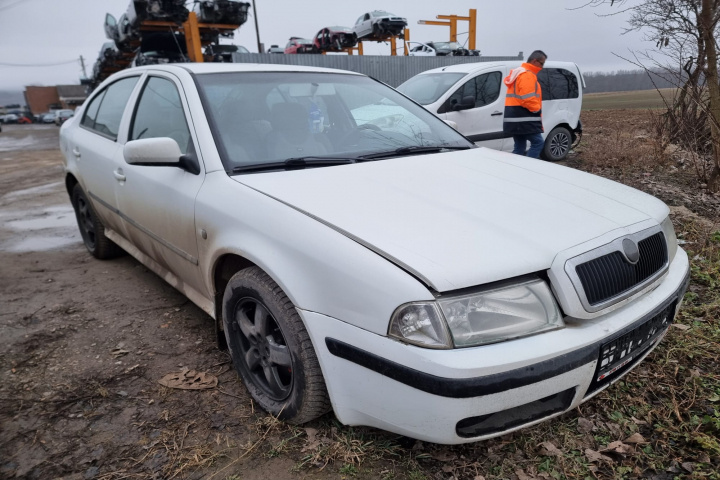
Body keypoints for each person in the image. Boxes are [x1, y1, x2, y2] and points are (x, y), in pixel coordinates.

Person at [503, 50, 547, 158]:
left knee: (519, 147)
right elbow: (528, 98)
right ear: (534, 61)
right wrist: (537, 109)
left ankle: (514, 168)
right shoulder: (527, 75)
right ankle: (528, 168)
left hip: (515, 119)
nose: (542, 67)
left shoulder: (518, 73)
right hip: (525, 119)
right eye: (541, 63)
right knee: (538, 143)